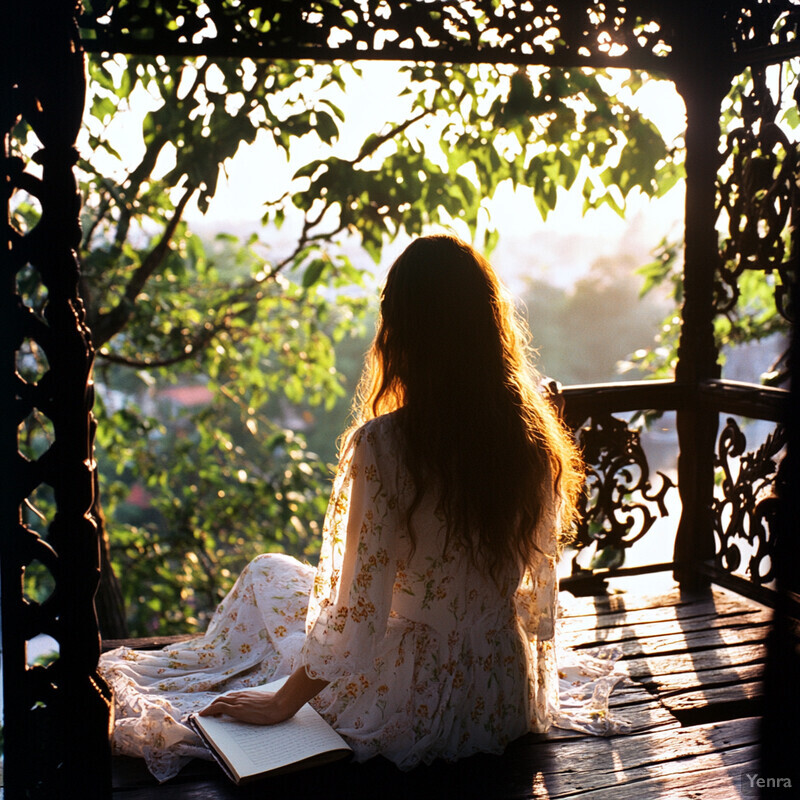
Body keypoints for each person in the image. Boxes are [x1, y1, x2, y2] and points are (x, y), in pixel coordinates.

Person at [99, 234, 620, 783]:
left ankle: (264, 683)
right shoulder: (533, 440)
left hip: (413, 704)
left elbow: (356, 619)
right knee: (287, 592)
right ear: (489, 326)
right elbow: (534, 601)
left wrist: (284, 704)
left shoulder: (387, 445)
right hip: (500, 695)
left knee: (266, 575)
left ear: (401, 331)